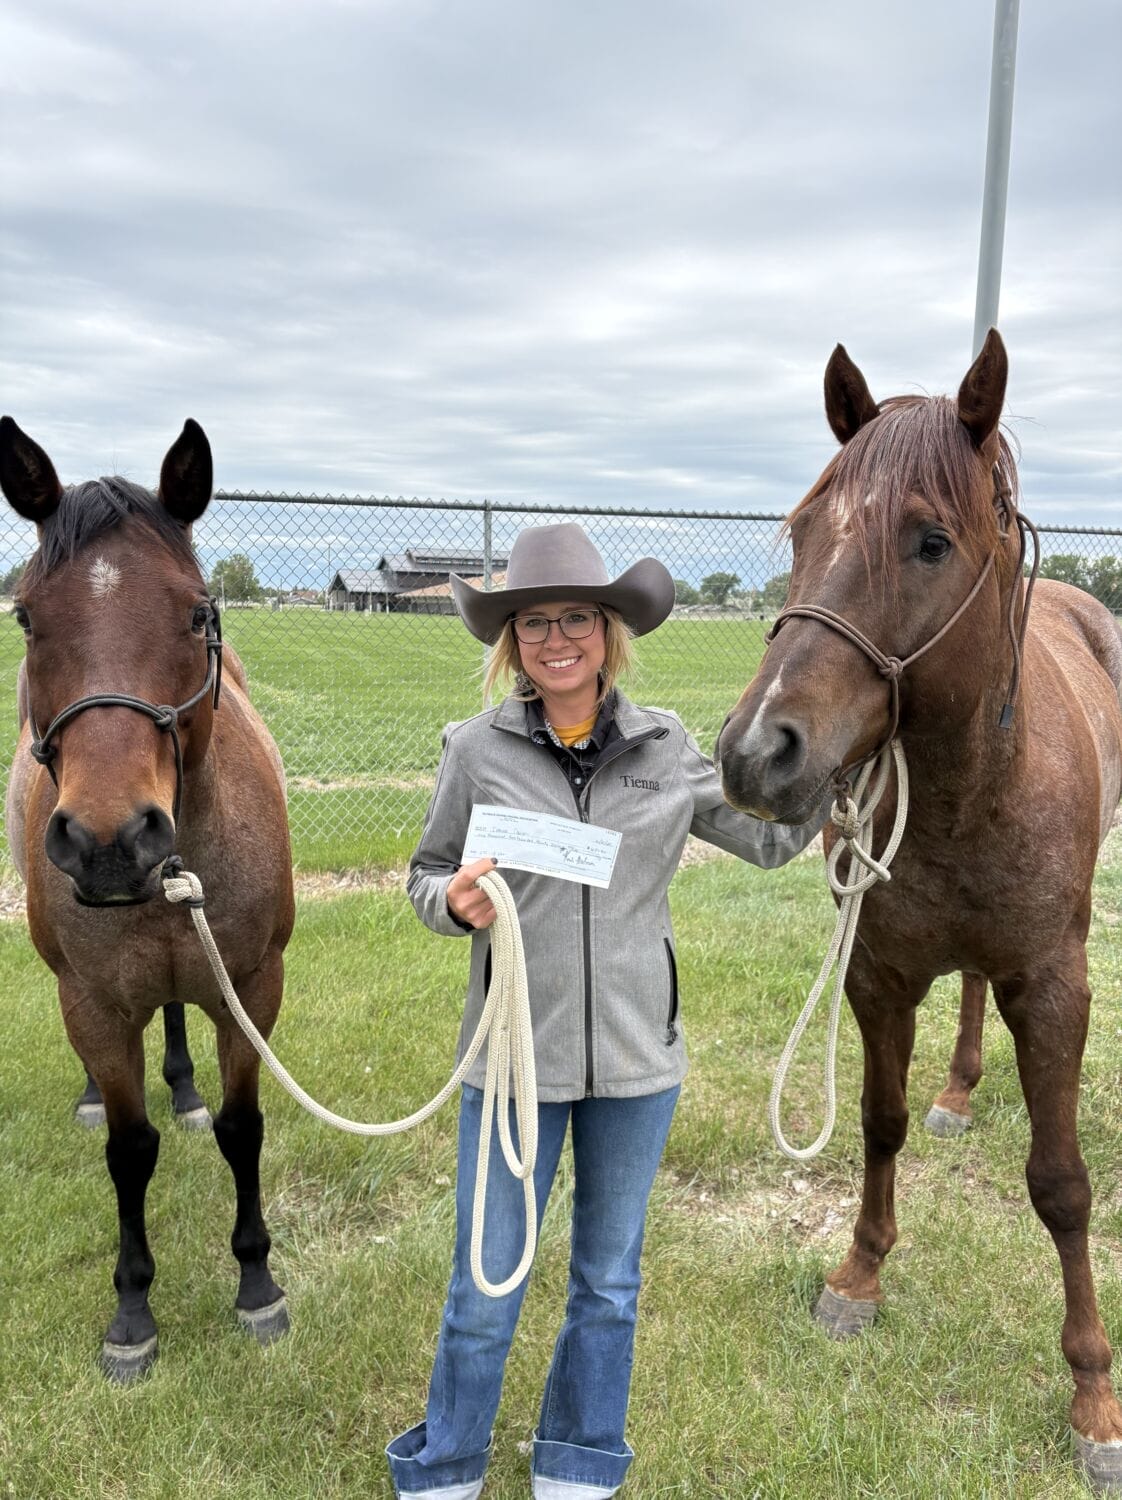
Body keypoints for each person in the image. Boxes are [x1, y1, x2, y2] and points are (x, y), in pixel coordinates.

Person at [386, 523, 825, 1500]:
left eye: (575, 618)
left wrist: (851, 771)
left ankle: (579, 1461)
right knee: (483, 1289)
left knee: (608, 1285)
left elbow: (765, 842)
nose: (555, 639)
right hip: (514, 1066)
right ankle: (447, 1467)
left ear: (608, 630)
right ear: (511, 642)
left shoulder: (665, 747)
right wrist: (446, 902)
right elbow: (425, 872)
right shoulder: (476, 749)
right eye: (534, 623)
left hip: (637, 1065)